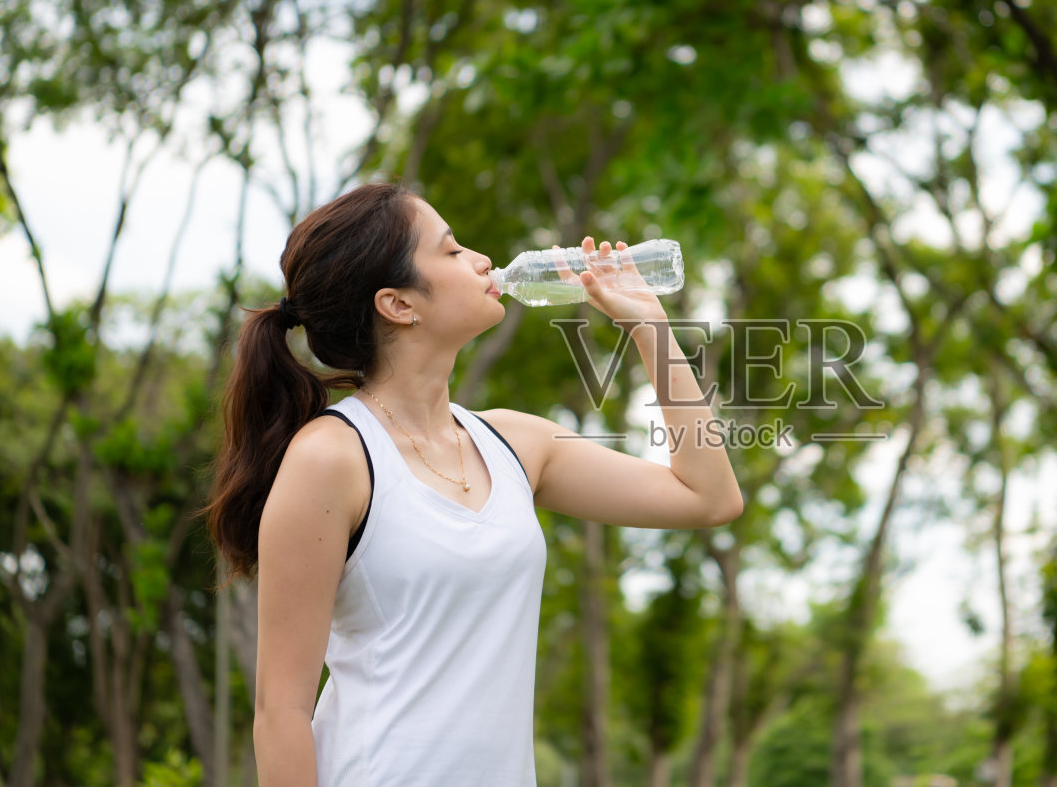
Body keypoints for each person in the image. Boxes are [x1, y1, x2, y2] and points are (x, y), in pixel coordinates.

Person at [204, 183, 744, 786]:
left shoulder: (517, 445)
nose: (482, 259)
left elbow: (709, 498)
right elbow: (281, 711)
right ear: (398, 304)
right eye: (453, 250)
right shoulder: (332, 459)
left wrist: (651, 329)